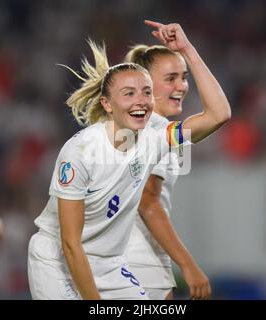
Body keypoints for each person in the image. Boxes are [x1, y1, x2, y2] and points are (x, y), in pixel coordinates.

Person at [28, 19, 230, 299]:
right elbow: (70, 244)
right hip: (58, 261)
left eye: (146, 92)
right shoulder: (80, 153)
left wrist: (187, 49)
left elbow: (219, 115)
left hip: (109, 262)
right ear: (107, 104)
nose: (141, 101)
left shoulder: (155, 138)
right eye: (129, 94)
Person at [124, 20, 221, 300]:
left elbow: (218, 115)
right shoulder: (151, 129)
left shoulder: (138, 126)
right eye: (170, 78)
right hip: (138, 255)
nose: (182, 86)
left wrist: (187, 49)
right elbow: (148, 201)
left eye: (184, 76)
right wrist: (189, 266)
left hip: (128, 255)